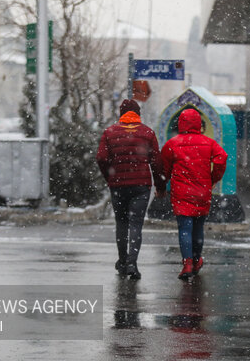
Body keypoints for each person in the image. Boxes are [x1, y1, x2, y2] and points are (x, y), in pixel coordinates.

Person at [97, 99, 165, 279]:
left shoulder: (110, 133)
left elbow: (101, 158)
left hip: (118, 185)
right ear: (138, 113)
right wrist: (160, 185)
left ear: (121, 113)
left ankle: (122, 261)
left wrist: (109, 176)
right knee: (136, 224)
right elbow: (156, 163)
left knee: (121, 222)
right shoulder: (147, 133)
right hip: (141, 186)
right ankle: (132, 264)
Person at [160, 108, 228, 280]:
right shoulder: (209, 143)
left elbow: (163, 170)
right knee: (198, 228)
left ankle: (187, 263)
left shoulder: (172, 144)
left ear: (181, 123)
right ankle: (197, 260)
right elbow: (222, 158)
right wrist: (213, 178)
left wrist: (161, 185)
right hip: (202, 191)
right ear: (199, 124)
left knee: (184, 228)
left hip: (182, 192)